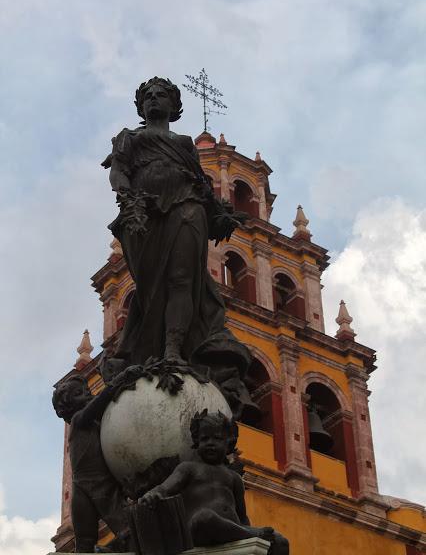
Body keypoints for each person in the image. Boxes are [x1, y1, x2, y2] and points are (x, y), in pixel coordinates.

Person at [102, 77, 250, 379]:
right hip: (143, 213)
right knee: (149, 286)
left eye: (161, 95)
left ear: (174, 106)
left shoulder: (184, 145)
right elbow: (118, 171)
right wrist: (128, 199)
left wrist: (221, 215)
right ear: (141, 107)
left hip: (187, 207)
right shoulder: (128, 137)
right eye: (148, 97)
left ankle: (173, 350)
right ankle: (146, 349)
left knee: (183, 279)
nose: (154, 99)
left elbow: (200, 185)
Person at [140, 410, 289, 554]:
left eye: (217, 438)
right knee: (204, 518)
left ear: (228, 443)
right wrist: (153, 494)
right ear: (197, 442)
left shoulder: (234, 478)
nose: (210, 443)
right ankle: (250, 535)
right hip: (200, 532)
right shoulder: (188, 468)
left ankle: (248, 535)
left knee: (281, 542)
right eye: (205, 439)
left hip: (234, 532)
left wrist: (249, 541)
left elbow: (242, 516)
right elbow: (165, 488)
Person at [52, 374, 129, 552]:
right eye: (80, 393)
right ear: (68, 406)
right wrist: (115, 384)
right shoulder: (79, 420)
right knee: (85, 538)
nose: (87, 395)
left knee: (123, 526)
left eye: (87, 391)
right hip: (83, 487)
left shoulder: (93, 423)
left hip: (101, 483)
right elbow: (97, 404)